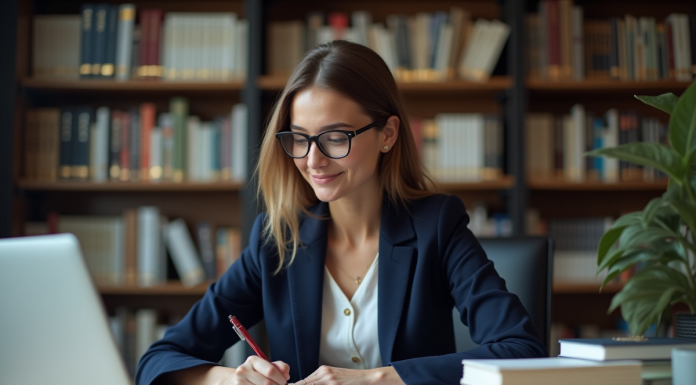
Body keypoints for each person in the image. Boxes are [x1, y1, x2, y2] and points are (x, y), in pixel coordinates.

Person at [135, 40, 546, 385]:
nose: (313, 160)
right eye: (299, 139)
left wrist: (377, 379)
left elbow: (522, 351)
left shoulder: (437, 226)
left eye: (334, 138)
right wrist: (227, 378)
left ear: (387, 134)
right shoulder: (276, 238)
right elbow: (159, 358)